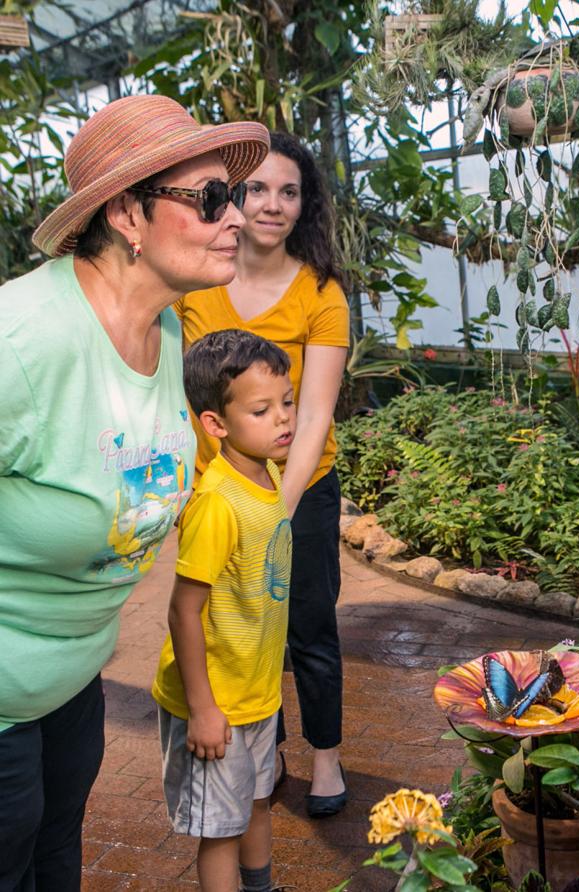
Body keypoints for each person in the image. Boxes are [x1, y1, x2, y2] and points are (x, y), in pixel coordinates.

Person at [0, 95, 268, 890]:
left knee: (54, 861)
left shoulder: (172, 332)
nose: (238, 218)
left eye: (240, 197)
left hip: (70, 686)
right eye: (211, 198)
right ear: (127, 215)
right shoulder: (25, 342)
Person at [174, 130, 350, 817]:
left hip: (297, 489)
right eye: (257, 189)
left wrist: (277, 505)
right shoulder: (196, 281)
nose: (272, 204)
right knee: (237, 628)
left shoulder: (320, 292)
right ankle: (263, 747)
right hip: (214, 493)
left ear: (303, 206)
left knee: (307, 624)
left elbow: (312, 417)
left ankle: (327, 758)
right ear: (234, 198)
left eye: (289, 191)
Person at [152, 329, 295, 892]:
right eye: (262, 410)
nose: (283, 418)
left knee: (257, 803)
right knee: (220, 829)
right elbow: (183, 612)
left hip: (255, 692)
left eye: (287, 401)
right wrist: (204, 708)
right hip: (214, 701)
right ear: (215, 424)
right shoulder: (216, 503)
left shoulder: (268, 471)